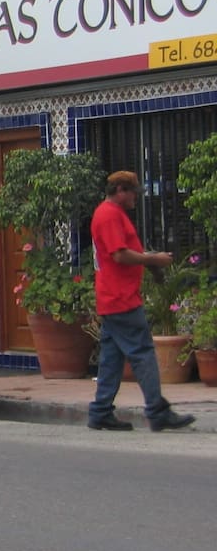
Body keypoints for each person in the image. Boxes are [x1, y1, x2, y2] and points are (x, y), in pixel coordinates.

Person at [87, 170, 195, 432]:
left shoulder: (109, 214)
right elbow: (120, 255)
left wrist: (150, 259)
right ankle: (157, 411)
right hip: (120, 298)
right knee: (143, 352)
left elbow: (124, 253)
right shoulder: (110, 215)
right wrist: (152, 260)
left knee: (112, 358)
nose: (137, 197)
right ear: (121, 190)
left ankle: (100, 411)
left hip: (113, 297)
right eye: (134, 191)